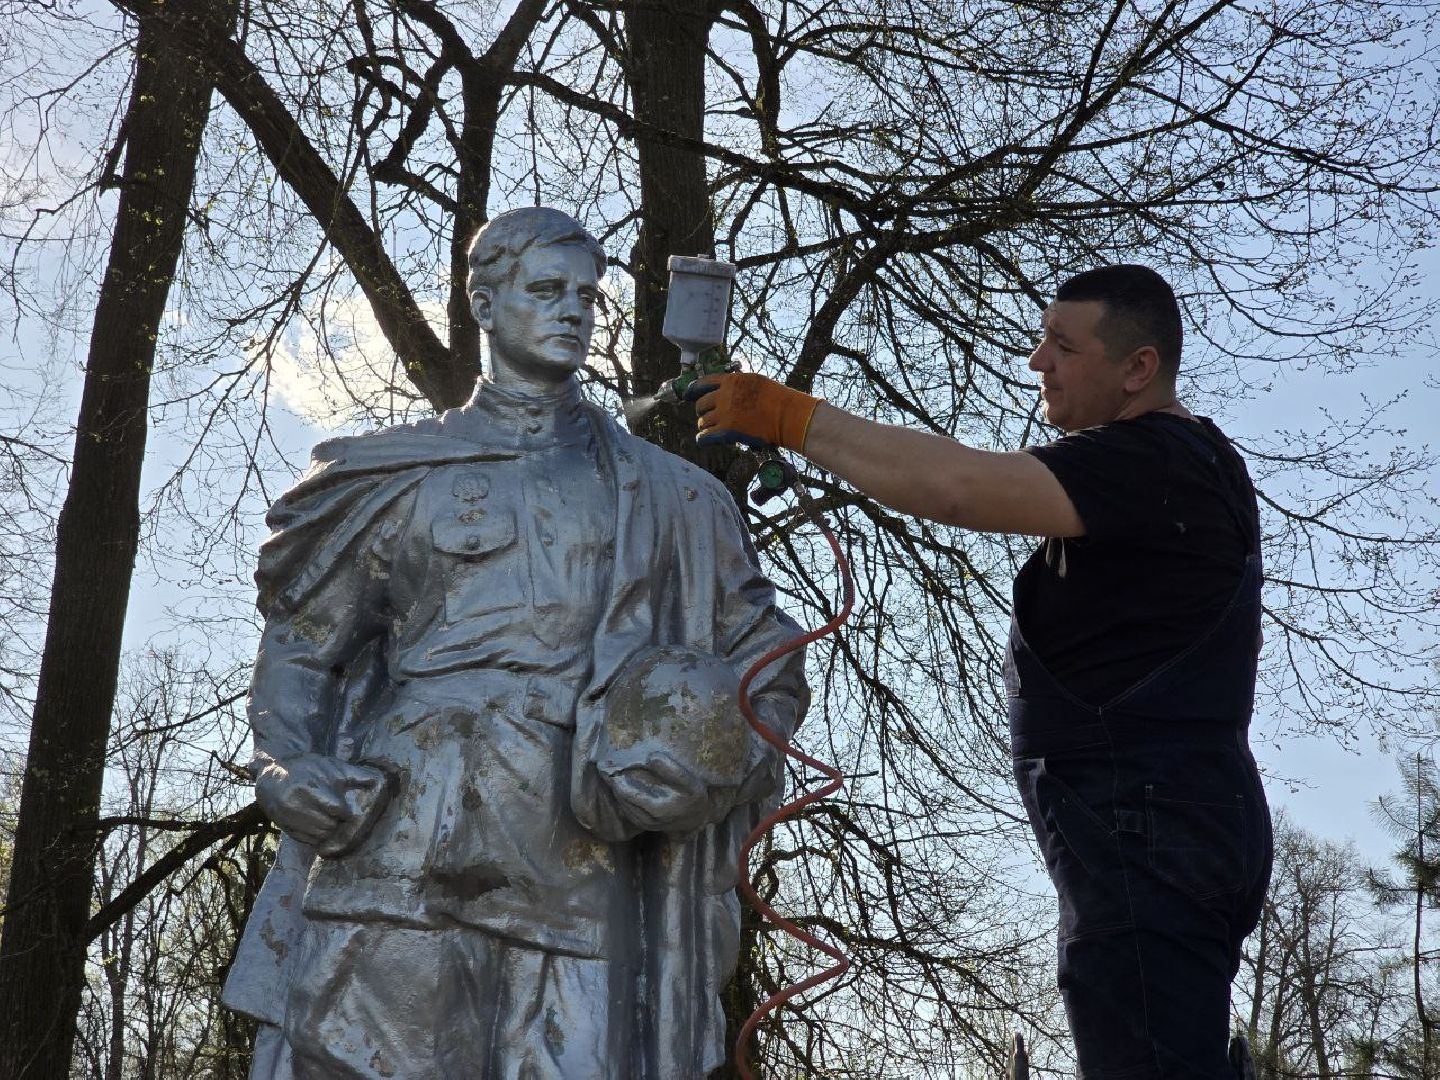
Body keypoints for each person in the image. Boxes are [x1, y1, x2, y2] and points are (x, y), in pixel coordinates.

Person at [221, 207, 809, 1079]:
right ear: (485, 304)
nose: (573, 310)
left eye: (587, 295)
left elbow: (766, 660)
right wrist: (285, 764)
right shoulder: (397, 475)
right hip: (401, 840)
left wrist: (711, 754)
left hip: (577, 856)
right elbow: (305, 641)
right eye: (546, 289)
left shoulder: (673, 498)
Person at [693, 264, 1273, 1078]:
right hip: (1164, 826)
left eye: (1063, 345)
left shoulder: (1155, 461)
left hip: (1148, 830)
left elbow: (959, 486)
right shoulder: (1177, 471)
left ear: (1138, 369)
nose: (1038, 361)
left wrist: (788, 417)